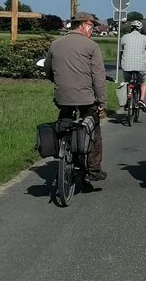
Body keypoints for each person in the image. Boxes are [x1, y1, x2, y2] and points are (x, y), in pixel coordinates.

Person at [43, 11, 108, 182]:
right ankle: (93, 170)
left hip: (62, 96)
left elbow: (48, 70)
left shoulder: (55, 44)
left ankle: (63, 150)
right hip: (86, 97)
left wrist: (57, 82)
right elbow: (98, 78)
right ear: (83, 24)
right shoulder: (91, 46)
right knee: (94, 129)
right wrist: (102, 102)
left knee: (64, 122)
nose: (92, 30)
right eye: (91, 26)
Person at [120, 20, 146, 112]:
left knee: (127, 82)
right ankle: (141, 100)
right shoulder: (144, 38)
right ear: (140, 29)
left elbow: (121, 52)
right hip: (141, 66)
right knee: (144, 81)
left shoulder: (124, 37)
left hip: (126, 65)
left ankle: (128, 100)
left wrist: (121, 63)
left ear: (131, 28)